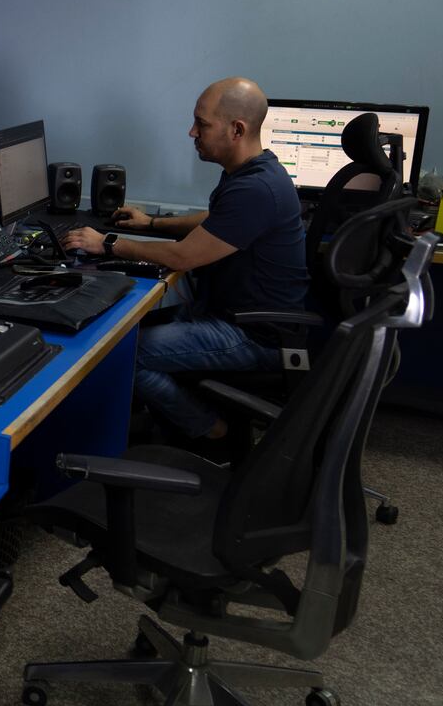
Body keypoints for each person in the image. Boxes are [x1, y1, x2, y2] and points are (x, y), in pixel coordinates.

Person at [60, 77, 307, 447]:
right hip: (228, 312)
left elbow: (184, 257)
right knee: (122, 328)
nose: (192, 132)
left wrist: (108, 244)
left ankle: (210, 430)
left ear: (236, 129)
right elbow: (216, 221)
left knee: (122, 352)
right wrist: (152, 224)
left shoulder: (256, 188)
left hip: (252, 335)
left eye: (202, 124)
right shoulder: (255, 172)